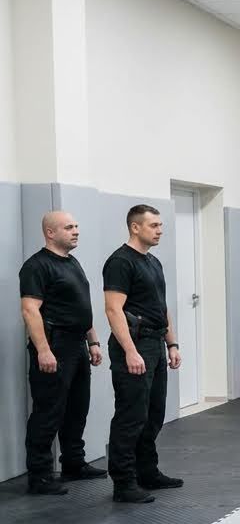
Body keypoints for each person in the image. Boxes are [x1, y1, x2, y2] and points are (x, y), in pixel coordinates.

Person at [19, 211, 106, 495]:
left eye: (76, 226)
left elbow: (81, 306)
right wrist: (43, 350)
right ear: (50, 232)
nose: (76, 231)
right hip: (54, 345)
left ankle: (73, 464)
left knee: (77, 409)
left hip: (77, 345)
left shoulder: (72, 262)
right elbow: (30, 310)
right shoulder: (36, 266)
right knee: (48, 412)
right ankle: (40, 476)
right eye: (69, 227)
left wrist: (93, 341)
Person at [103, 205, 184, 504]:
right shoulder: (120, 262)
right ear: (135, 227)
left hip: (155, 344)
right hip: (134, 345)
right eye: (154, 225)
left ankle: (147, 472)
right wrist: (130, 351)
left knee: (153, 413)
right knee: (131, 414)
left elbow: (161, 306)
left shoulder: (153, 262)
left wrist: (172, 343)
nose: (160, 230)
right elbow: (113, 310)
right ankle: (124, 483)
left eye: (160, 225)